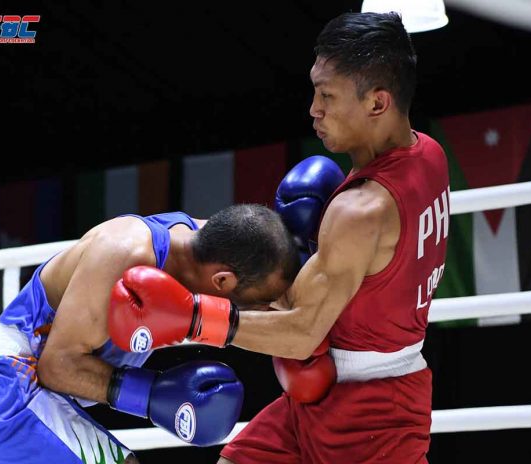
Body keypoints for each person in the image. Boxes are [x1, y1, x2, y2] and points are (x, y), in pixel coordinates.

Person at [107, 11, 450, 463]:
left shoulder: (361, 211)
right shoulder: (428, 154)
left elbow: (303, 334)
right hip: (328, 391)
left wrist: (195, 319)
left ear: (378, 103)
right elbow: (372, 273)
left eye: (327, 95)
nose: (314, 108)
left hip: (372, 415)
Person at [0, 204, 300, 464]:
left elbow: (272, 277)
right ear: (222, 281)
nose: (258, 314)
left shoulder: (209, 241)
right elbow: (56, 366)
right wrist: (154, 394)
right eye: (255, 304)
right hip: (9, 399)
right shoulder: (125, 255)